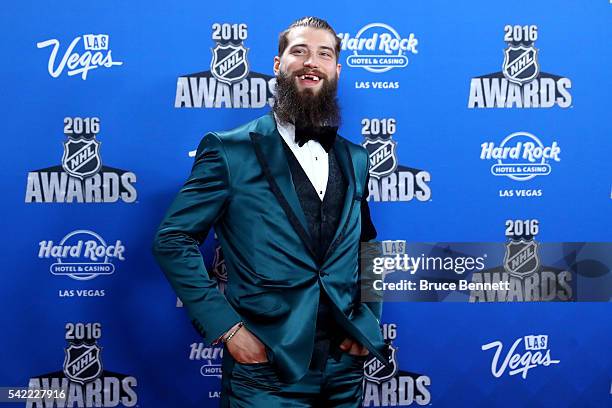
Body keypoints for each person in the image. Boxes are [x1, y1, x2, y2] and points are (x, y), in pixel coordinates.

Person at [152, 16, 388, 407]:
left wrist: (370, 319)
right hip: (265, 368)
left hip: (345, 368)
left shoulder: (355, 156)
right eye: (299, 51)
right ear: (277, 65)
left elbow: (367, 242)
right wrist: (227, 329)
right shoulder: (229, 150)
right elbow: (172, 240)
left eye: (324, 54)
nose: (312, 61)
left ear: (336, 70)